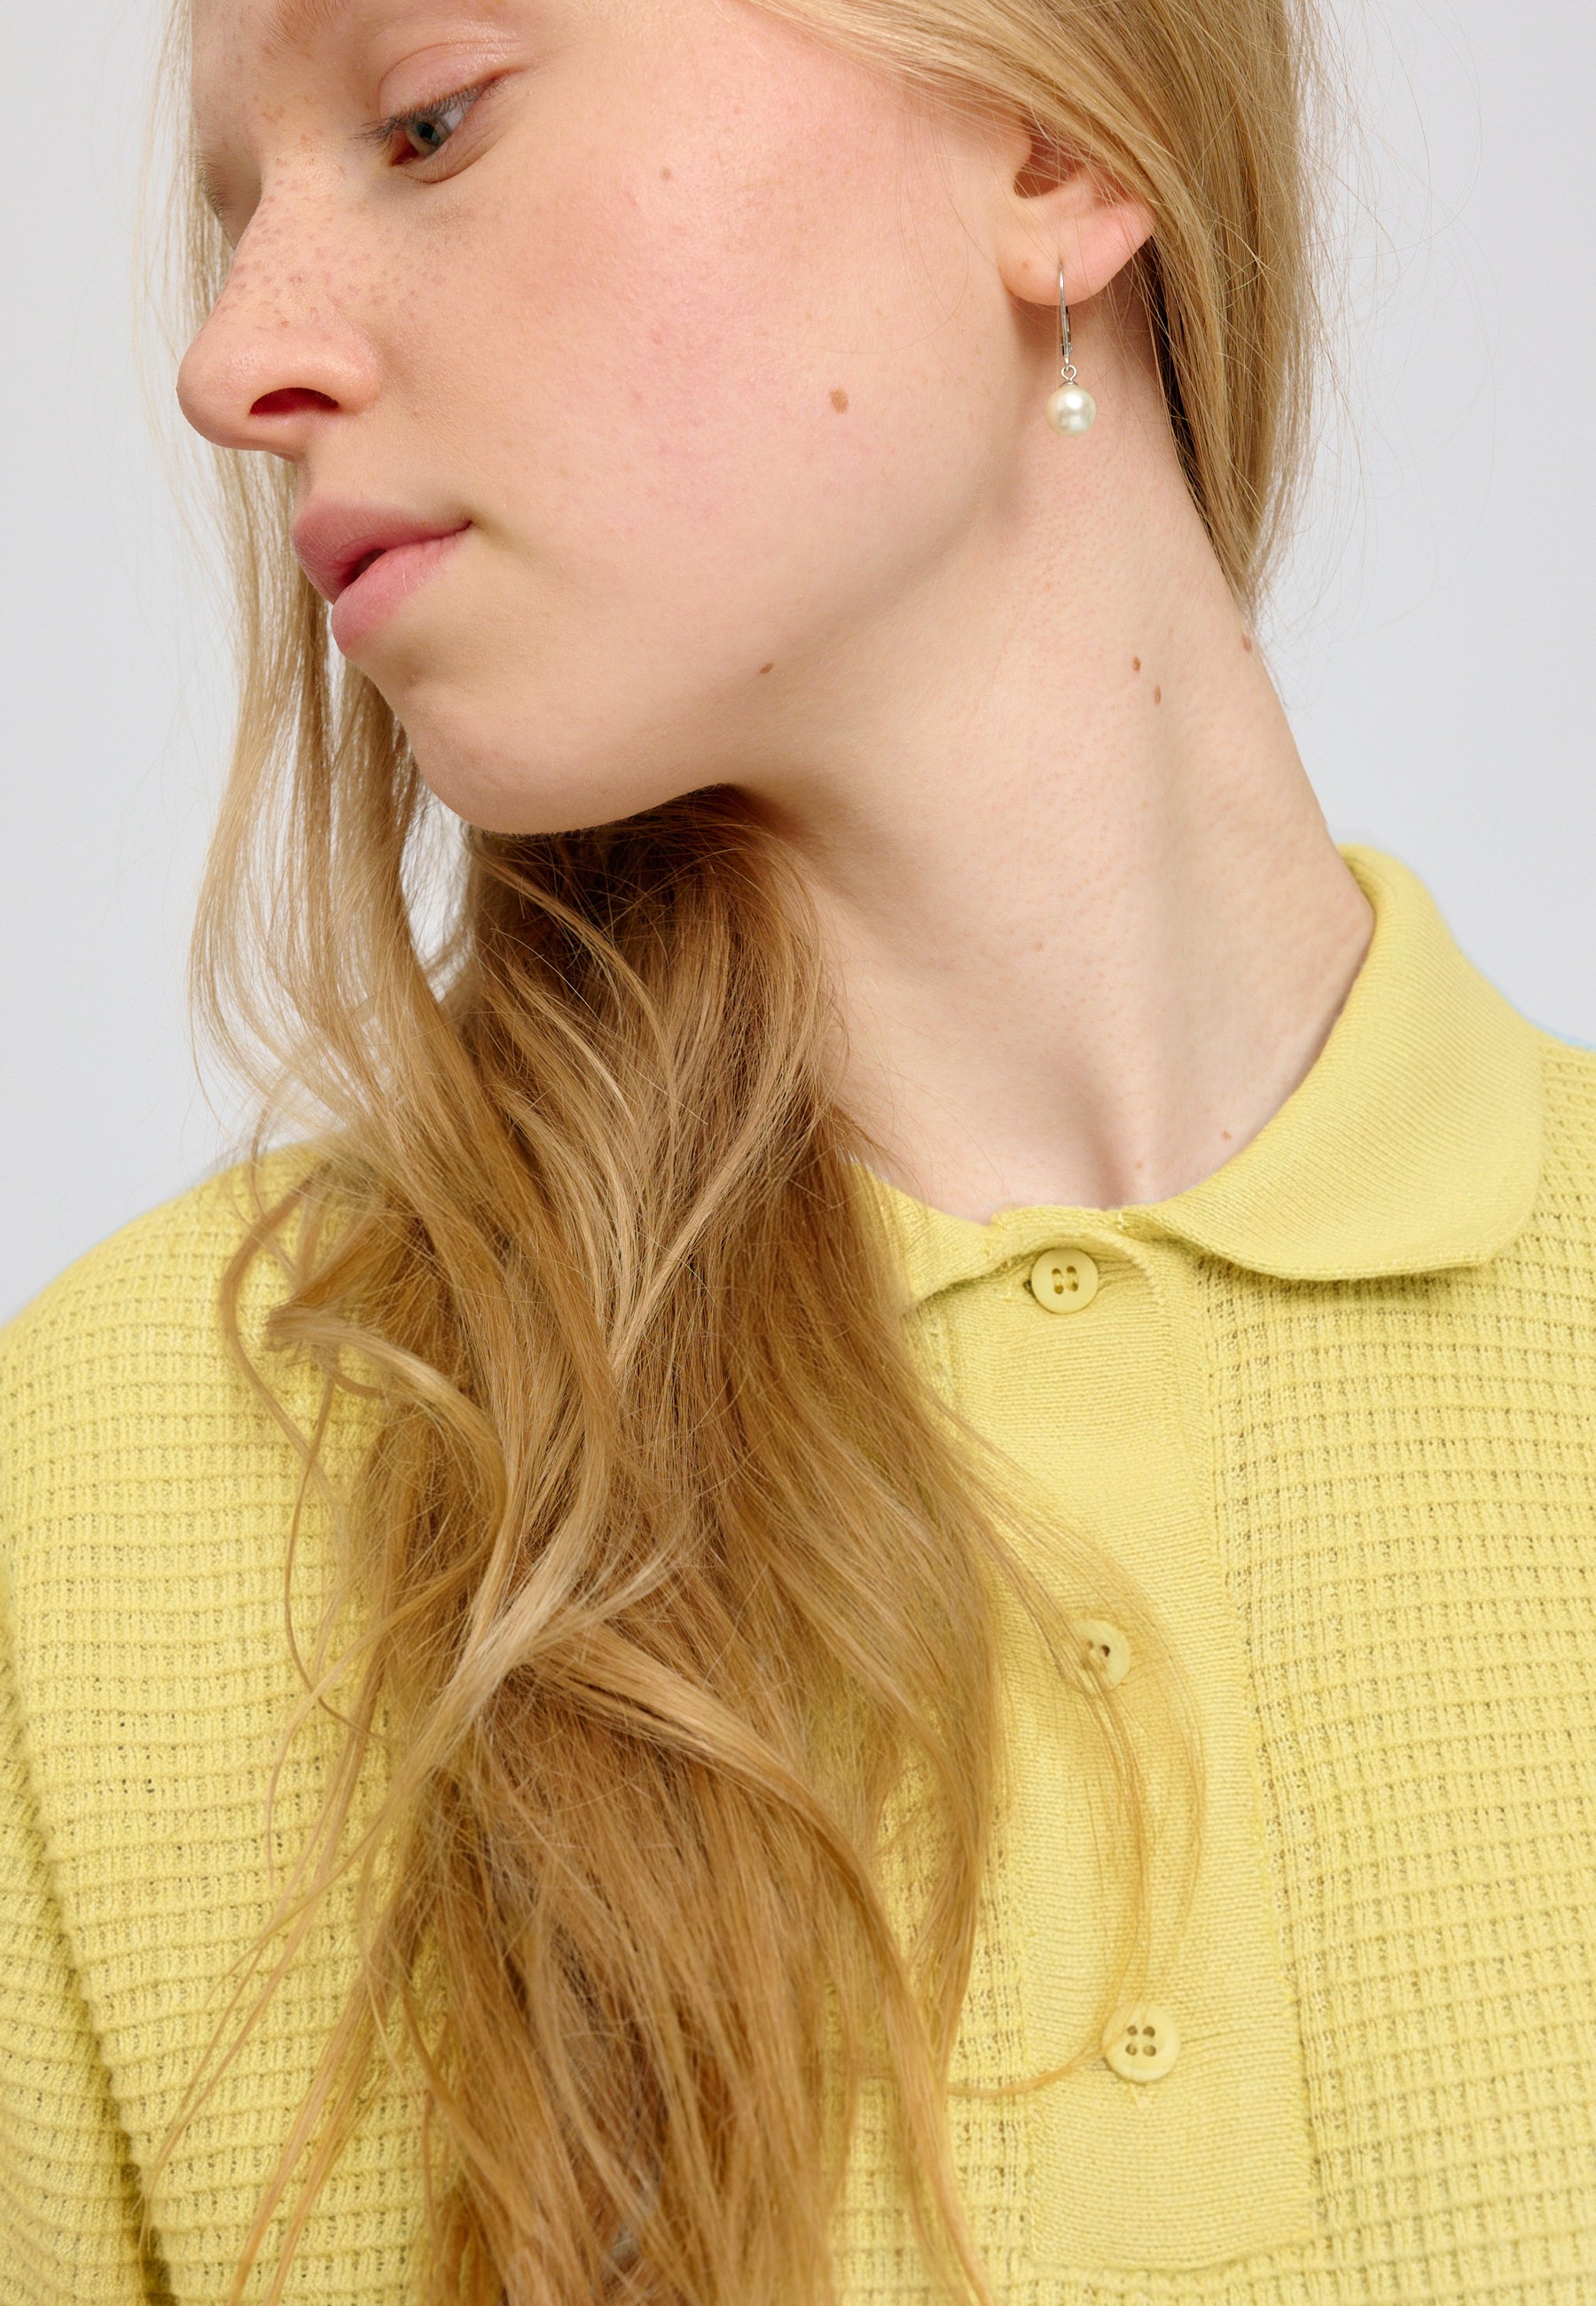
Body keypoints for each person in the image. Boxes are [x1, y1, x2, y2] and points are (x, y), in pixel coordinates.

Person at [4, 0, 1594, 2299]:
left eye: (428, 124)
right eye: (239, 218)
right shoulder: (112, 1499)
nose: (230, 360)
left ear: (1050, 149)